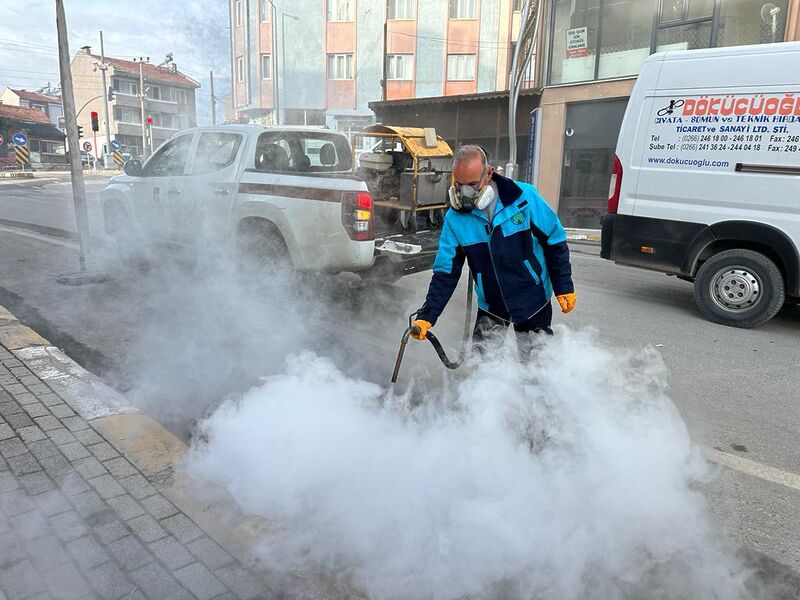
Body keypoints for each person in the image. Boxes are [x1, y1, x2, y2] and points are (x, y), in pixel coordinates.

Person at [411, 145, 576, 360]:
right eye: (458, 185)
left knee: (537, 365)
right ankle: (483, 394)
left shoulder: (524, 198)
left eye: (471, 184)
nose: (464, 193)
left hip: (532, 299)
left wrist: (564, 286)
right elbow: (445, 272)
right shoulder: (455, 219)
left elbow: (555, 241)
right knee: (482, 365)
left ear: (489, 174)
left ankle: (537, 394)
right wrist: (428, 314)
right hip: (491, 304)